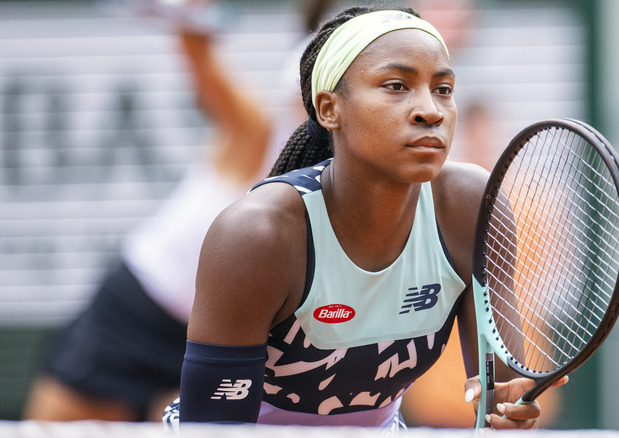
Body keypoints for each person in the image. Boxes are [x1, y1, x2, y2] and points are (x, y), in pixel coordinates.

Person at [170, 5, 565, 430]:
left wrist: (508, 414)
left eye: (444, 89)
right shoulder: (256, 235)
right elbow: (212, 427)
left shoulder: (470, 208)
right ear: (328, 110)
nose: (429, 110)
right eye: (396, 86)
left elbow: (497, 395)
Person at [22, 5, 274, 422]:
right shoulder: (258, 133)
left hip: (213, 343)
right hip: (134, 310)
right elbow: (200, 57)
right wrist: (193, 18)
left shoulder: (346, 184)